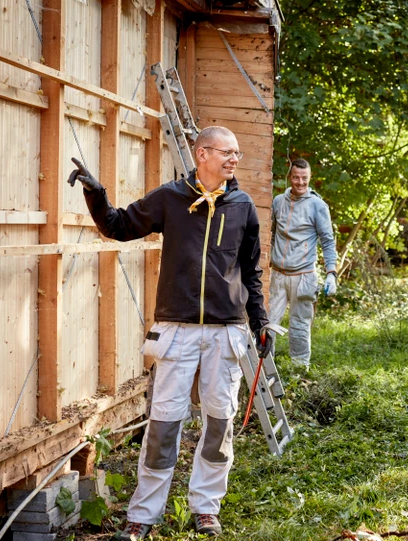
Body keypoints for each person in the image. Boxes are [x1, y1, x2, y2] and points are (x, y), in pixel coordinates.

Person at [68, 126, 272, 540]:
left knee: (219, 425)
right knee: (163, 426)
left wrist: (260, 320)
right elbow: (118, 225)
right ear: (202, 154)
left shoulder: (243, 207)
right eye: (227, 152)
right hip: (176, 331)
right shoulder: (171, 198)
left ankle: (206, 508)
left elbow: (250, 272)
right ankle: (143, 515)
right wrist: (96, 193)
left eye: (237, 153)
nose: (234, 159)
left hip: (225, 332)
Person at [268, 158, 339, 370]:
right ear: (289, 177)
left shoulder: (317, 206)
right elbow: (271, 234)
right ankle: (263, 370)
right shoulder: (278, 202)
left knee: (299, 326)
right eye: (296, 178)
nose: (300, 182)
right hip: (277, 275)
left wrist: (331, 273)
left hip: (303, 277)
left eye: (304, 178)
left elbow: (328, 241)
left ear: (310, 178)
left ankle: (298, 372)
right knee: (267, 324)